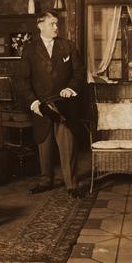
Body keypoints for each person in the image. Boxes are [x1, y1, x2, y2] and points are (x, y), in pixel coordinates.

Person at [16, 11, 86, 198]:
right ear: (40, 25)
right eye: (52, 24)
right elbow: (23, 80)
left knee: (67, 144)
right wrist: (34, 102)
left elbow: (79, 72)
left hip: (65, 104)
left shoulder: (68, 46)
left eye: (57, 24)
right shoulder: (30, 49)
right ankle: (45, 181)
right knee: (44, 144)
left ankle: (72, 184)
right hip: (41, 105)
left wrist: (71, 88)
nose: (56, 27)